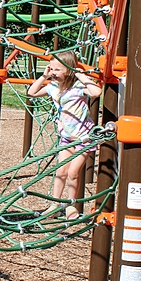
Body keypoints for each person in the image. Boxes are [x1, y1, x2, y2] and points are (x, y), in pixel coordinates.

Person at [27, 51, 102, 219]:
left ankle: (71, 206)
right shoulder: (52, 87)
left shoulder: (78, 87)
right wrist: (44, 76)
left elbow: (96, 92)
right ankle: (55, 205)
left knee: (73, 173)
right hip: (66, 137)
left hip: (84, 137)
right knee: (60, 172)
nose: (53, 72)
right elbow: (31, 93)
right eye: (51, 68)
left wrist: (80, 74)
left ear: (68, 70)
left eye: (57, 69)